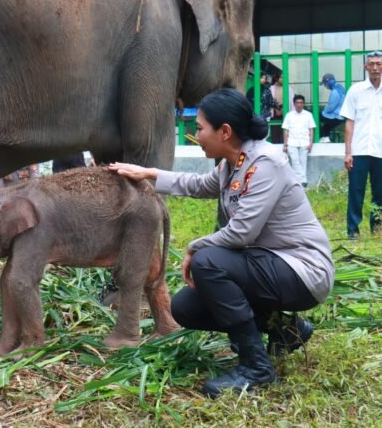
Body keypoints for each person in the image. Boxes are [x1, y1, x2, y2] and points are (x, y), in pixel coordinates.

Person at [108, 88, 334, 398]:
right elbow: (199, 185)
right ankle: (286, 330)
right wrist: (149, 174)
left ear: (224, 131)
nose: (195, 134)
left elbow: (241, 233)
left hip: (302, 271)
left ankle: (256, 369)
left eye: (200, 128)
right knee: (185, 307)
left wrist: (193, 247)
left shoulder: (265, 164)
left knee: (208, 262)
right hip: (270, 265)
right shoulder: (233, 163)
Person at [340, 51, 382, 239]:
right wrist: (348, 152)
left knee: (379, 192)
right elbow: (349, 122)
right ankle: (353, 232)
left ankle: (378, 230)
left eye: (379, 64)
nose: (375, 67)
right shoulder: (356, 90)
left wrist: (380, 132)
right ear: (365, 67)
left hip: (381, 151)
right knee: (356, 192)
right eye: (371, 64)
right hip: (359, 151)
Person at [282, 95, 315, 187]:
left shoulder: (308, 115)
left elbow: (311, 130)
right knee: (295, 161)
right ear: (294, 104)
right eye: (297, 103)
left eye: (301, 103)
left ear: (303, 104)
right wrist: (285, 145)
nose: (299, 105)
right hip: (292, 142)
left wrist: (311, 143)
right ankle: (303, 180)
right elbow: (286, 131)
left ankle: (300, 182)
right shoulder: (289, 115)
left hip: (305, 141)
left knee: (303, 161)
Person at [319, 73, 346, 142]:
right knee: (326, 127)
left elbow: (331, 107)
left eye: (325, 84)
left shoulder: (335, 92)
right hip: (341, 115)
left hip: (335, 115)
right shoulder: (340, 88)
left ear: (328, 82)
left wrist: (324, 111)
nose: (325, 86)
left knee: (316, 116)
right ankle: (325, 137)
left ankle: (321, 136)